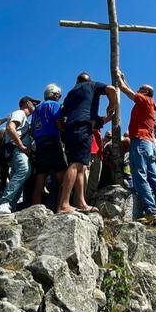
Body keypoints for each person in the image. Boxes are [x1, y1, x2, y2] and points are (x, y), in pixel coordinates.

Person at [116, 69, 156, 223]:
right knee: (154, 178)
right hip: (149, 144)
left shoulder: (145, 100)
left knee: (139, 176)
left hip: (140, 141)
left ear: (147, 92)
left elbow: (126, 91)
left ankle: (151, 211)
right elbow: (130, 90)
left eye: (140, 89)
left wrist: (118, 78)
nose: (138, 90)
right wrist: (125, 79)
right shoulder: (150, 103)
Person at [57, 72, 117, 213]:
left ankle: (80, 202)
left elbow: (60, 117)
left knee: (82, 167)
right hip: (83, 128)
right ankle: (64, 204)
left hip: (70, 130)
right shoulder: (92, 85)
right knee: (76, 164)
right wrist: (111, 104)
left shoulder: (71, 93)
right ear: (89, 80)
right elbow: (111, 89)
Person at [0, 96, 39, 213]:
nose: (35, 106)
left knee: (19, 175)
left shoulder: (24, 118)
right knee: (24, 170)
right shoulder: (19, 113)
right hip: (17, 149)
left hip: (16, 150)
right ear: (27, 103)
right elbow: (11, 128)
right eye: (34, 103)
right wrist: (21, 146)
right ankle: (4, 202)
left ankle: (10, 207)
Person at [30, 84, 67, 206]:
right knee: (62, 175)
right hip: (52, 141)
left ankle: (35, 207)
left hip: (39, 144)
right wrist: (64, 131)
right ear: (55, 94)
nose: (59, 97)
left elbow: (32, 129)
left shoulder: (36, 110)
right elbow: (59, 122)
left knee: (40, 178)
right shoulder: (55, 105)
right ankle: (64, 205)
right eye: (59, 95)